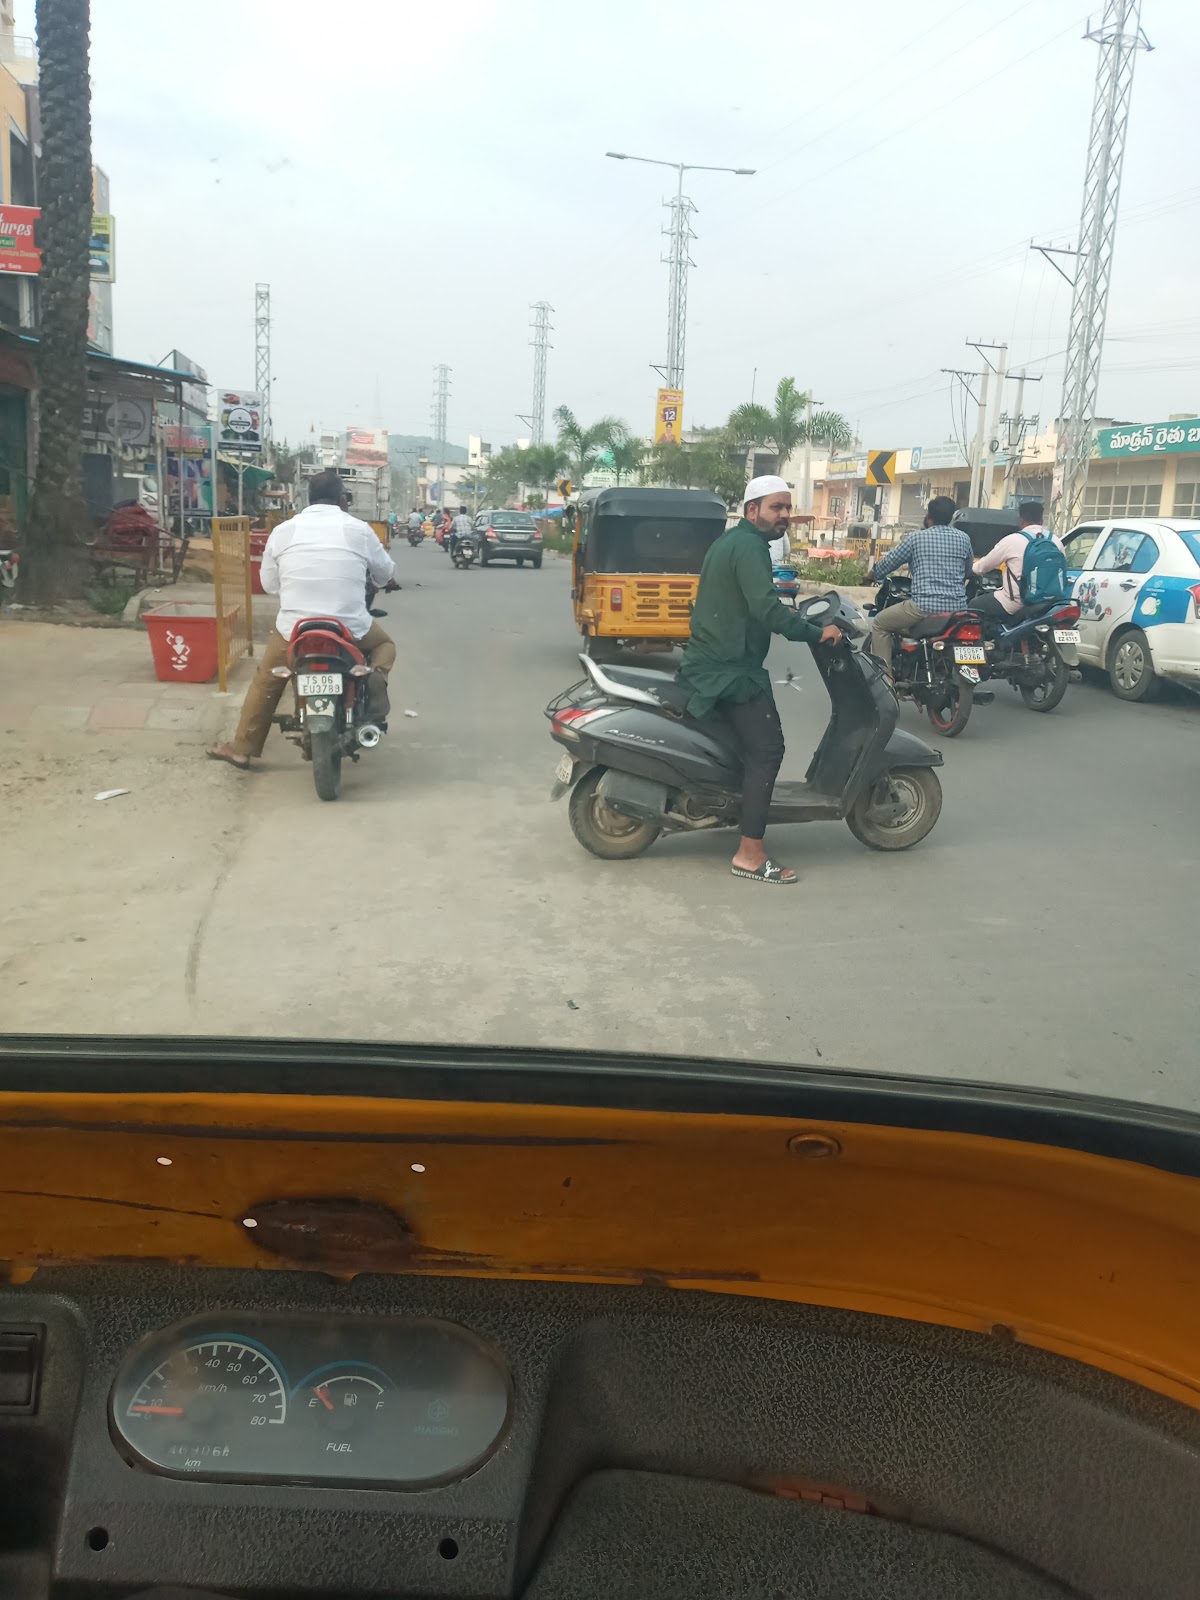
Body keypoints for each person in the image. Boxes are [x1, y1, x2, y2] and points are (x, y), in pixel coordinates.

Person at [677, 474, 842, 887]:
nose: (784, 515)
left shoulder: (731, 542)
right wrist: (815, 632)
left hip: (715, 661)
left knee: (749, 749)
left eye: (787, 508)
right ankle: (750, 853)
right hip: (730, 672)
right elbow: (768, 610)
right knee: (769, 749)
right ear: (753, 510)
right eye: (776, 507)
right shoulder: (750, 547)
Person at [207, 469, 397, 771]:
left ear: (307, 499)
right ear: (341, 499)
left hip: (296, 630)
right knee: (386, 645)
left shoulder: (284, 531)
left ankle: (242, 748)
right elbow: (385, 574)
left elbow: (269, 585)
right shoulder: (358, 529)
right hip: (349, 628)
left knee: (267, 681)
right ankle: (374, 677)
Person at [866, 496, 973, 673]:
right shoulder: (964, 538)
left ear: (929, 517)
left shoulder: (916, 538)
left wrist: (870, 575)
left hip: (924, 607)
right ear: (951, 517)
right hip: (958, 609)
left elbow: (891, 561)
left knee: (879, 623)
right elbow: (967, 570)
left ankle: (885, 678)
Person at [970, 501, 1065, 619]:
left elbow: (983, 566)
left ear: (1021, 521)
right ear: (1041, 520)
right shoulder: (1055, 541)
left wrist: (971, 569)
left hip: (1016, 603)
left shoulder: (1012, 540)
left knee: (974, 605)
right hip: (1051, 602)